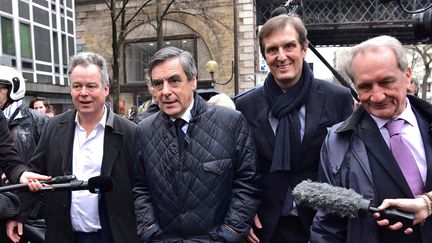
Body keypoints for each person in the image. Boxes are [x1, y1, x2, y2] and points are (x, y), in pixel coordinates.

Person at [235, 14, 353, 243]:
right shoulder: (246, 105)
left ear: (304, 48)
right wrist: (242, 214)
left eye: (289, 46)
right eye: (272, 49)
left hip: (322, 224)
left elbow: (349, 164)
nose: (281, 56)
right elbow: (240, 167)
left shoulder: (337, 98)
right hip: (266, 228)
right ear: (265, 55)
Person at [6, 52, 140, 243]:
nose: (83, 92)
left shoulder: (129, 132)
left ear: (106, 89)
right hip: (63, 235)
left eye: (91, 86)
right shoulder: (53, 127)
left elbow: (140, 187)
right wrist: (18, 214)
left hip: (113, 236)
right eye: (77, 86)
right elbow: (36, 172)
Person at [310, 35, 432, 243]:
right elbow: (328, 225)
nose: (377, 96)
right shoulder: (336, 142)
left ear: (407, 75)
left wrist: (428, 203)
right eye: (365, 87)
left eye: (386, 82)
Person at [133, 46, 261, 242]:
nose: (165, 91)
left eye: (174, 81)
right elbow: (139, 188)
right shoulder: (144, 130)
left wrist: (230, 233)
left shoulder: (231, 122)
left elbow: (248, 182)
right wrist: (150, 231)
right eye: (158, 84)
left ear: (193, 81)